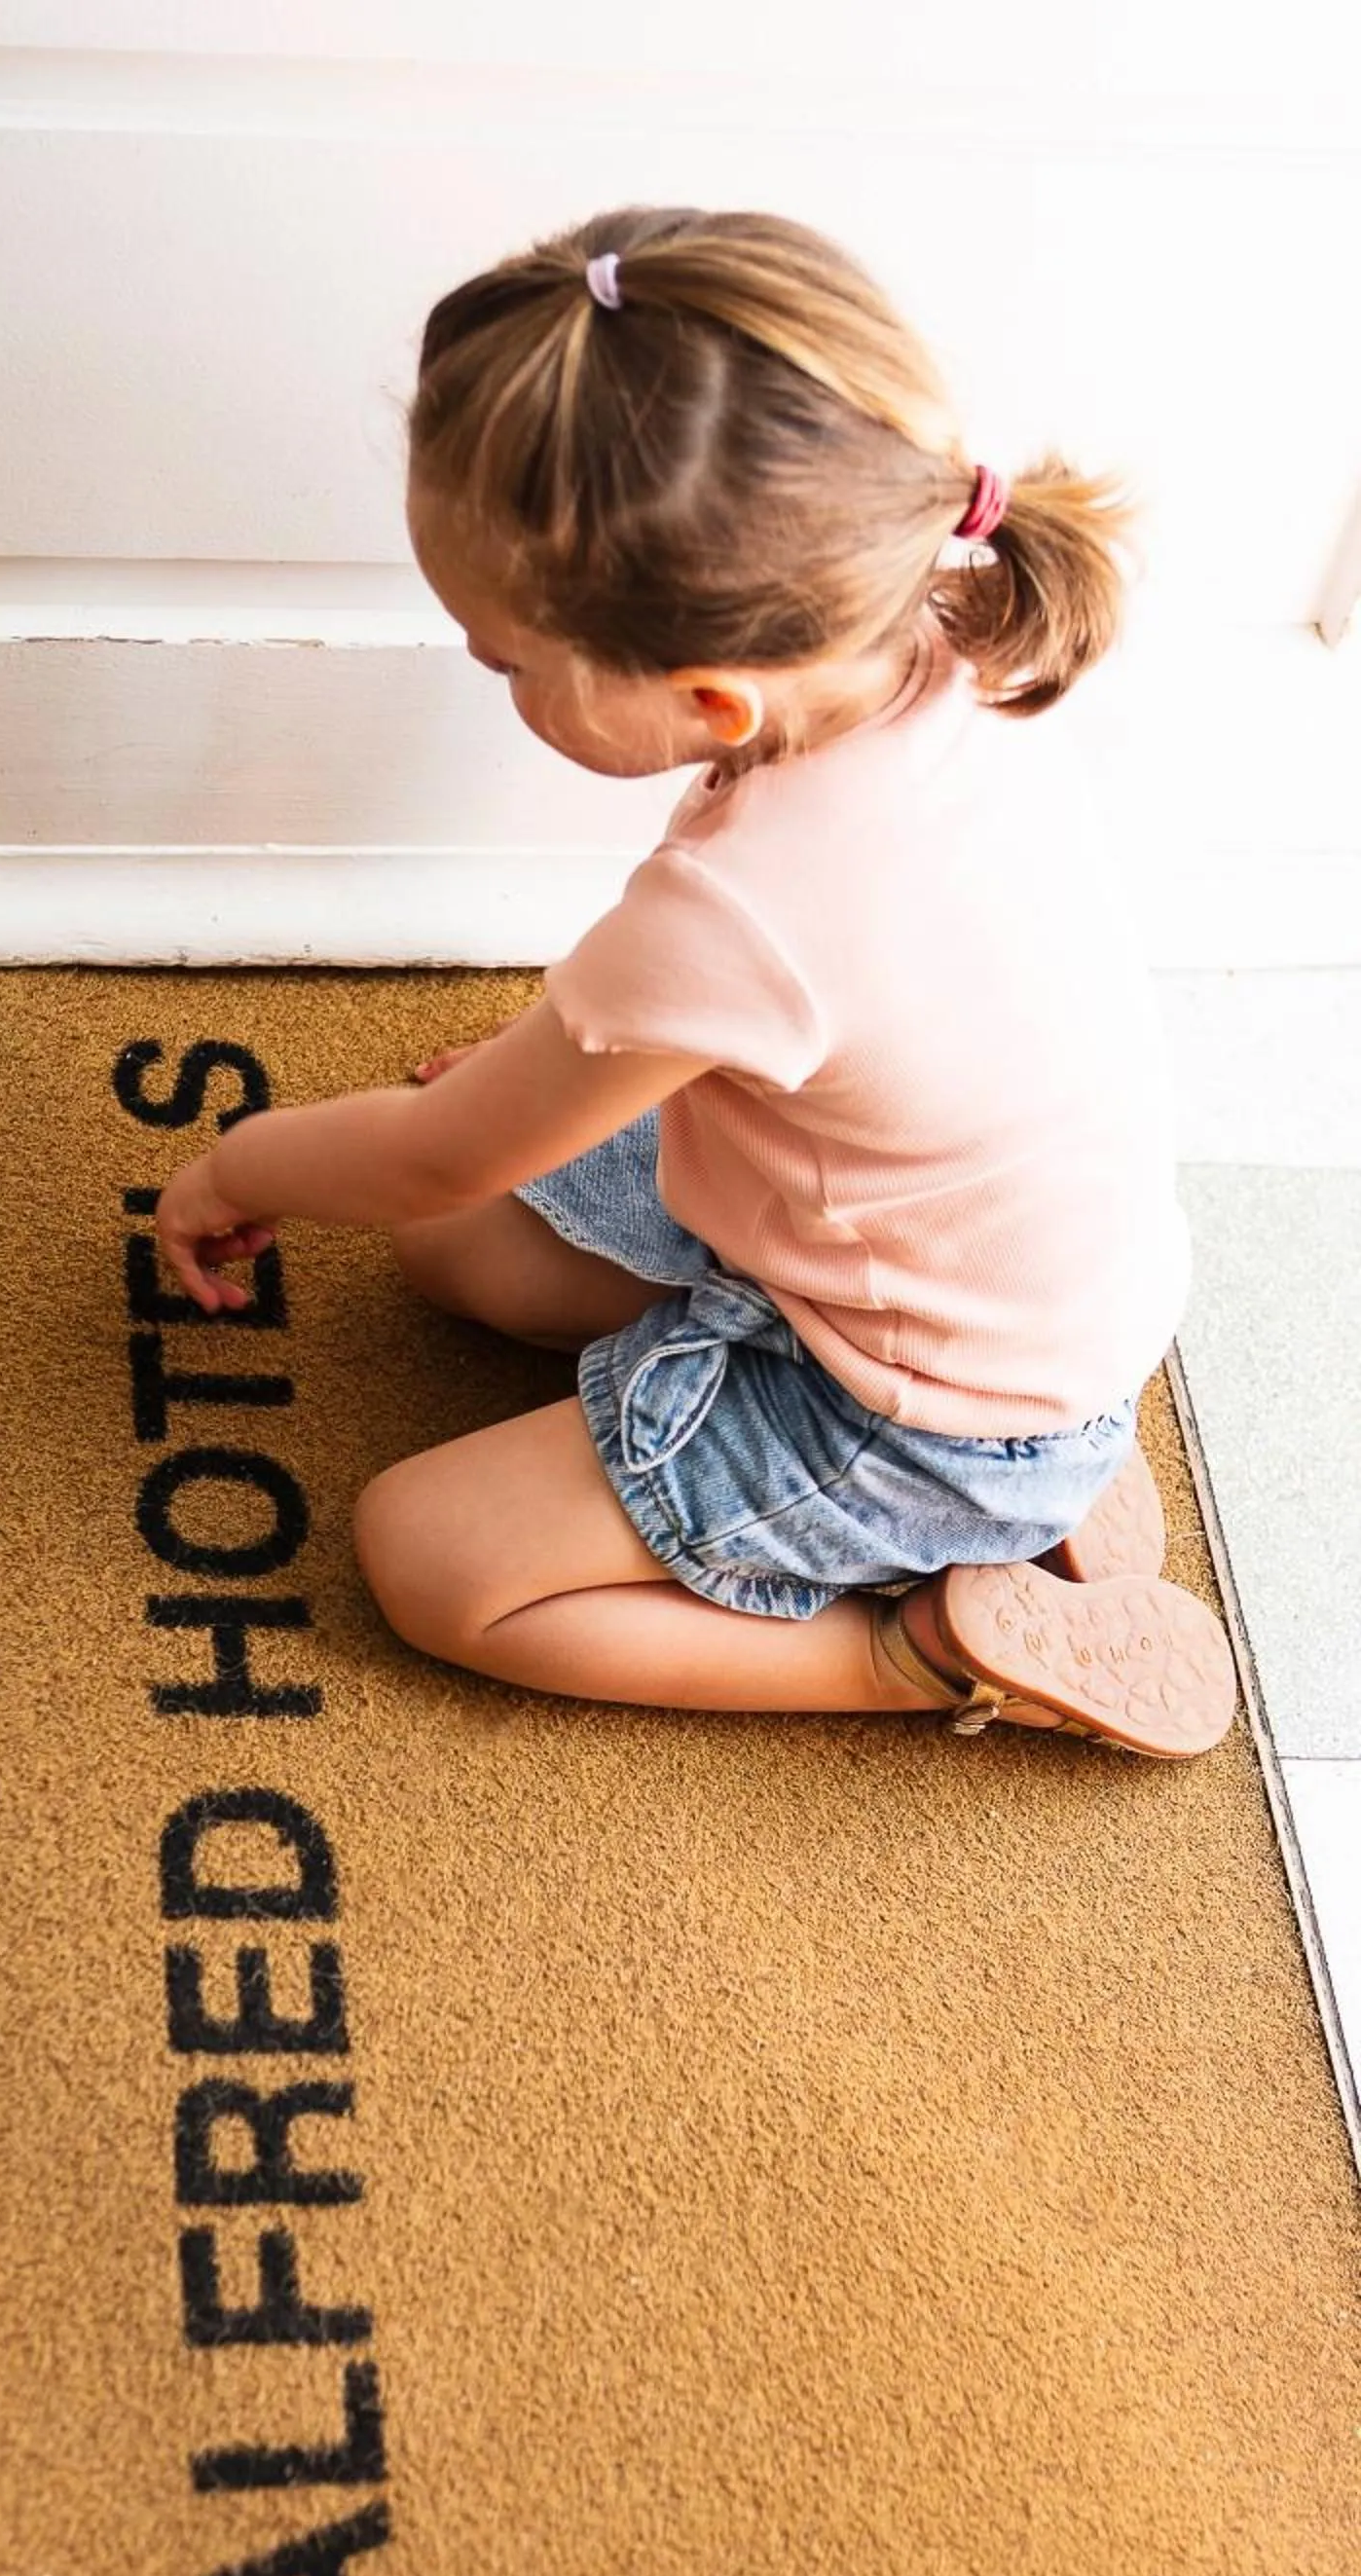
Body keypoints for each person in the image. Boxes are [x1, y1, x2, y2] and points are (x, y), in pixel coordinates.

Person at [153, 206, 1235, 1759]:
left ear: (714, 696)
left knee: (432, 1556)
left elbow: (446, 1146)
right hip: (992, 1278)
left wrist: (237, 1163)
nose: (489, 677)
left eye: (503, 659)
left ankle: (924, 1643)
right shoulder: (952, 626)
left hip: (924, 1401)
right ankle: (1030, 1482)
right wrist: (567, 1081)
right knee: (454, 1252)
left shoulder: (739, 912)